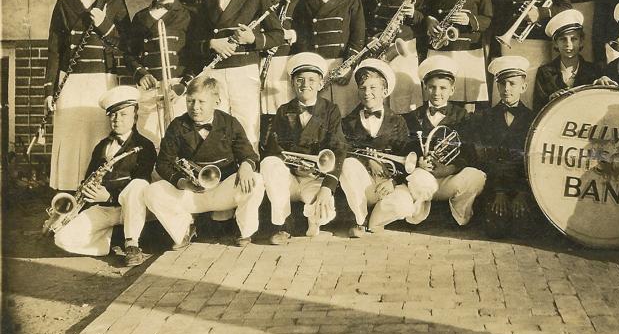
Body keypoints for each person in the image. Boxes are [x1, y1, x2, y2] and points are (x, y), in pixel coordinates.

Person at [45, 0, 131, 191]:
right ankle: (68, 193)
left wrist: (104, 24)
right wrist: (49, 89)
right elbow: (54, 50)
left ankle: (98, 192)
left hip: (101, 79)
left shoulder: (115, 1)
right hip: (70, 82)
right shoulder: (64, 3)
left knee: (100, 136)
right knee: (71, 138)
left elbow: (127, 45)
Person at [144, 77, 264, 248]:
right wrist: (183, 182)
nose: (195, 107)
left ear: (216, 101)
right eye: (190, 101)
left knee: (256, 181)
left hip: (223, 190)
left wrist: (246, 166)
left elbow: (248, 154)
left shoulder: (229, 122)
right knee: (152, 192)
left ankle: (244, 231)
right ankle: (183, 230)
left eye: (201, 101)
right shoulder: (177, 125)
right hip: (193, 193)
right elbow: (163, 163)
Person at [195, 0, 284, 149]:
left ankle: (249, 171)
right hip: (215, 70)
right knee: (218, 124)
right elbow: (195, 38)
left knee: (247, 124)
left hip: (244, 69)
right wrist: (210, 44)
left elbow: (277, 34)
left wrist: (253, 38)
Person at [52, 86, 156, 267]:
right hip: (106, 209)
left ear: (135, 115)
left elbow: (143, 181)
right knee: (62, 238)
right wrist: (87, 191)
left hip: (133, 208)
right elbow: (88, 178)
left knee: (138, 185)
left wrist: (109, 196)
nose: (117, 120)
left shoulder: (144, 145)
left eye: (123, 114)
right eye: (113, 115)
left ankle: (132, 245)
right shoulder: (101, 146)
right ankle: (111, 240)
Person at [339, 59, 437, 236]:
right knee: (348, 165)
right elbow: (344, 151)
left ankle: (375, 220)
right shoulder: (348, 122)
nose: (367, 93)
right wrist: (368, 160)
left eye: (373, 88)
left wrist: (392, 182)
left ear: (385, 91)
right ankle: (359, 219)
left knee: (404, 206)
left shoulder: (398, 121)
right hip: (363, 185)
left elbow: (408, 159)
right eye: (363, 88)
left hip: (389, 183)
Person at [260, 53, 348, 245]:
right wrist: (292, 166)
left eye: (311, 80)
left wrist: (328, 187)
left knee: (325, 213)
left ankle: (313, 221)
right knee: (269, 163)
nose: (305, 84)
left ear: (320, 84)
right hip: (290, 177)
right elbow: (273, 149)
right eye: (299, 80)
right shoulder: (284, 110)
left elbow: (339, 149)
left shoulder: (331, 110)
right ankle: (283, 224)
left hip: (315, 178)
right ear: (292, 83)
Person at [403, 56, 486, 227]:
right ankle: (419, 215)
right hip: (423, 178)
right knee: (417, 179)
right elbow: (405, 149)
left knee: (476, 177)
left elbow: (470, 152)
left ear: (452, 90)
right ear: (425, 88)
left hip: (449, 177)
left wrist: (451, 168)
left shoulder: (461, 116)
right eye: (432, 87)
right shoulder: (414, 117)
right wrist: (418, 162)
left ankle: (459, 215)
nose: (437, 93)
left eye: (443, 88)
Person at [127, 0, 200, 147]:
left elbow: (198, 56)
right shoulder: (141, 17)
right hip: (151, 89)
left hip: (179, 88)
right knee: (149, 137)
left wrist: (184, 84)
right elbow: (129, 53)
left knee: (182, 140)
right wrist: (140, 73)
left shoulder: (190, 15)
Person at [465, 56, 538, 239]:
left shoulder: (534, 119)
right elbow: (483, 158)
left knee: (523, 228)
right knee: (495, 229)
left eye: (512, 84)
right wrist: (499, 191)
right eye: (502, 84)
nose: (507, 89)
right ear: (497, 87)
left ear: (523, 87)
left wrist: (522, 192)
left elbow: (533, 160)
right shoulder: (484, 118)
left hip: (522, 185)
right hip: (494, 184)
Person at [292, 0, 365, 115]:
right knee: (318, 114)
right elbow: (303, 38)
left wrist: (348, 67)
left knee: (344, 113)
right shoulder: (307, 0)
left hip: (342, 66)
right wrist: (310, 69)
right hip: (316, 67)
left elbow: (358, 36)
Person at [258, 0, 303, 145]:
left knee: (285, 105)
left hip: (286, 59)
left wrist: (295, 34)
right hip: (262, 57)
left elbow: (307, 28)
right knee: (261, 107)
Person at [530, 9, 601, 116]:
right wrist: (551, 100)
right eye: (563, 39)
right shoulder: (544, 72)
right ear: (555, 43)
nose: (568, 44)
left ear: (581, 41)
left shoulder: (594, 70)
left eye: (574, 39)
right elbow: (537, 110)